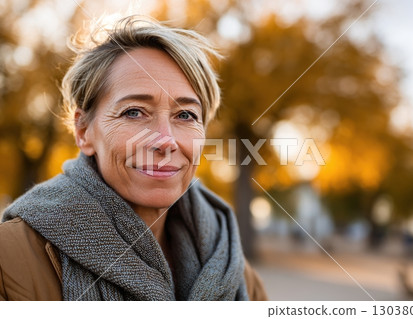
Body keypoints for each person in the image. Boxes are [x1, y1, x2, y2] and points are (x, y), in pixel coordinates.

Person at [0, 15, 267, 301]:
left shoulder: (232, 266)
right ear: (83, 131)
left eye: (185, 115)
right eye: (134, 112)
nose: (166, 140)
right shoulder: (11, 257)